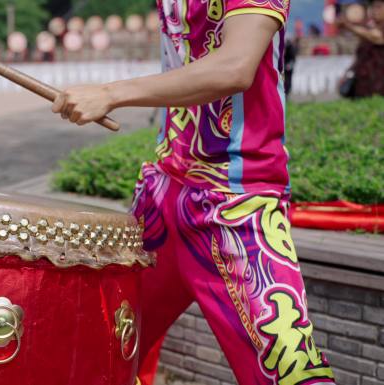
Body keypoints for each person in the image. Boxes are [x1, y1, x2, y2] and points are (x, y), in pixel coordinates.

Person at [51, 0, 335, 384]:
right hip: (163, 191)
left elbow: (236, 66)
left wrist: (110, 93)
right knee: (92, 350)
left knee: (292, 375)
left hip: (235, 203)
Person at [339, 0, 384, 97]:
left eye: (379, 7)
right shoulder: (369, 27)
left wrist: (348, 26)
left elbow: (376, 37)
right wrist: (349, 71)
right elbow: (360, 54)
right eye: (374, 8)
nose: (375, 11)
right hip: (363, 78)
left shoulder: (376, 30)